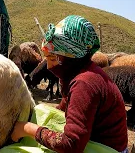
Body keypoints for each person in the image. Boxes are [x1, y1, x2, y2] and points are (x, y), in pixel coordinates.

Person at [11, 15, 128, 153]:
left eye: (52, 58)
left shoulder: (84, 84)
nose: (48, 66)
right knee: (42, 111)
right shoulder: (82, 72)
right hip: (97, 143)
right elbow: (65, 109)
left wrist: (29, 129)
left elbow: (72, 145)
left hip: (103, 149)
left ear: (68, 56)